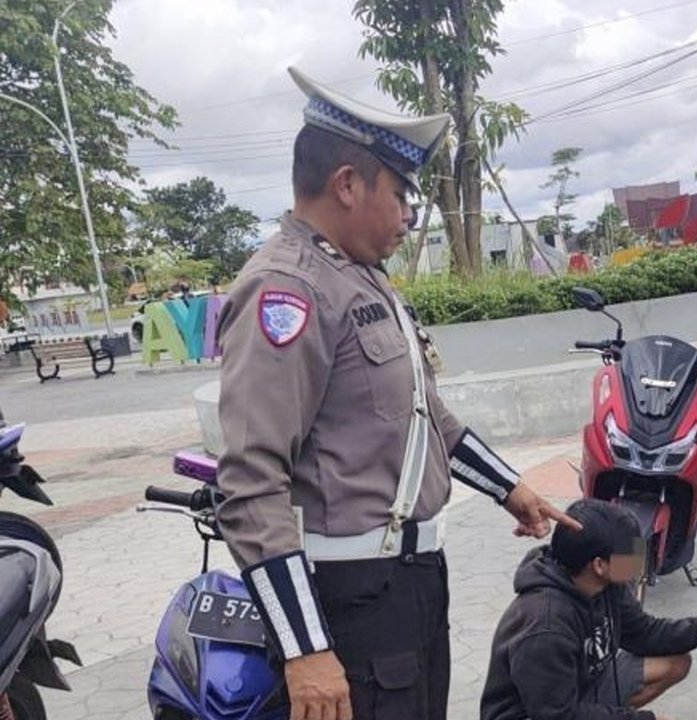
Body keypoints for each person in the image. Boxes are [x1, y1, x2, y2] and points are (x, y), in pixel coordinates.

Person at [214, 66, 578, 720]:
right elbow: (249, 476)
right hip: (346, 605)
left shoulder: (360, 276)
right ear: (347, 184)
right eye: (402, 194)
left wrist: (510, 487)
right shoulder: (287, 290)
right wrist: (305, 649)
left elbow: (422, 417)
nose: (410, 216)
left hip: (408, 587)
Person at [480, 499, 697, 720]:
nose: (639, 562)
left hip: (579, 688)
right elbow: (557, 714)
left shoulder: (605, 585)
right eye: (631, 554)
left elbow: (645, 633)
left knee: (676, 662)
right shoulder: (545, 626)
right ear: (599, 564)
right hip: (538, 713)